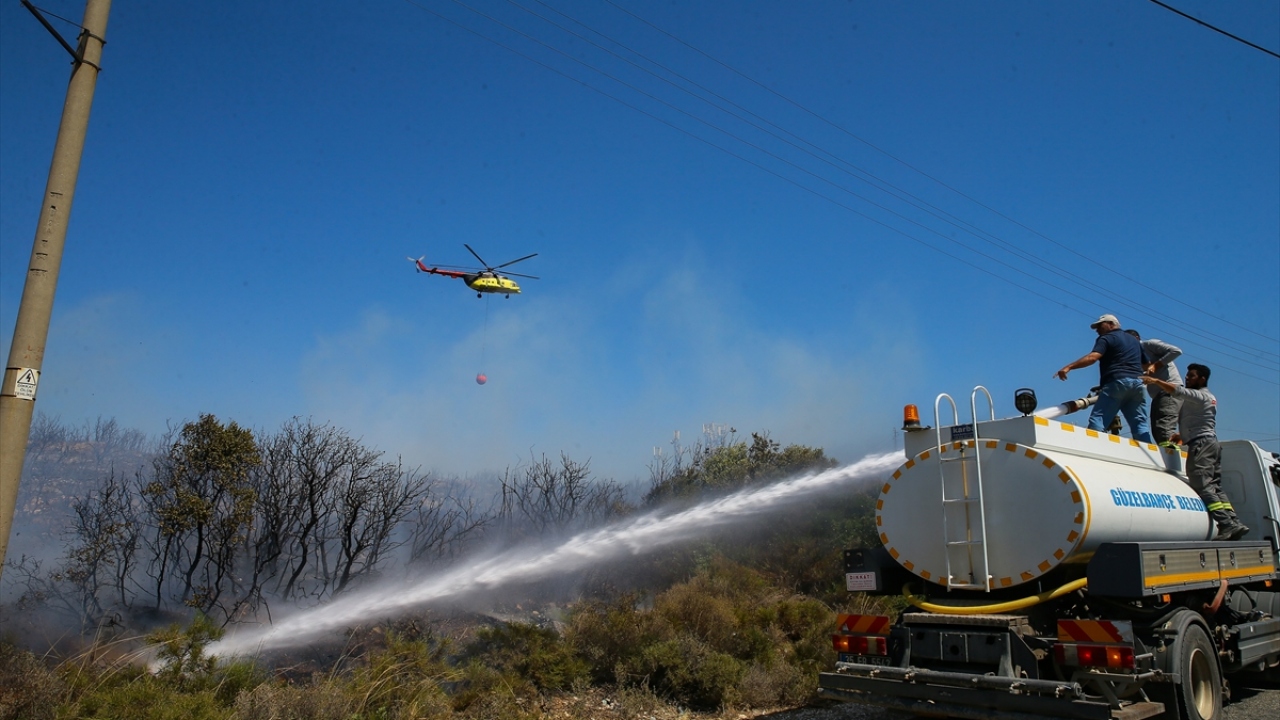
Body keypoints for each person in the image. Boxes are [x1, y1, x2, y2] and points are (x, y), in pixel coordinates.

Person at [1143, 364, 1248, 541]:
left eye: (1191, 376)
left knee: (1202, 484)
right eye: (1187, 375)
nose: (1186, 378)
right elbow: (1198, 421)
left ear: (1202, 379)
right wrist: (1181, 435)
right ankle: (1235, 522)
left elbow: (1178, 391)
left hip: (1201, 444)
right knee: (1215, 486)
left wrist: (1156, 381)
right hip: (1211, 442)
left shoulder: (1200, 395)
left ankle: (1226, 524)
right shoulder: (1209, 398)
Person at [1055, 314, 1153, 443]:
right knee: (1140, 424)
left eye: (1100, 326)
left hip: (1116, 382)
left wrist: (1069, 367)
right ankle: (1149, 457)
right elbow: (1147, 365)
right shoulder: (1134, 340)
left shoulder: (1107, 338)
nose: (1097, 330)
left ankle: (1094, 450)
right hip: (1137, 384)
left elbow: (1092, 358)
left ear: (1111, 324)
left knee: (1098, 420)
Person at [1125, 329, 1184, 447]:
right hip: (1158, 395)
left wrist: (1156, 365)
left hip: (1168, 391)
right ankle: (1166, 456)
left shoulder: (1149, 345)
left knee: (1164, 427)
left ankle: (1171, 458)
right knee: (1157, 429)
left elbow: (1176, 351)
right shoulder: (1133, 357)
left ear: (1136, 338)